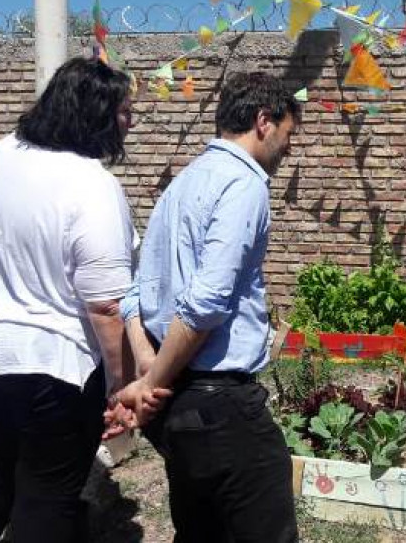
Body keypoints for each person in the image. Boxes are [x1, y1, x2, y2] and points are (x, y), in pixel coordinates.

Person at [0, 58, 135, 542]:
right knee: (47, 491)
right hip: (52, 365)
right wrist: (122, 386)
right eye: (124, 112)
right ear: (95, 113)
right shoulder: (92, 184)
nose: (130, 123)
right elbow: (106, 307)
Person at [114, 70, 301, 543]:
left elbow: (135, 294)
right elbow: (206, 303)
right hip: (221, 407)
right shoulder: (244, 183)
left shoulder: (182, 184)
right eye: (287, 133)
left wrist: (149, 370)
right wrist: (152, 380)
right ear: (263, 121)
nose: (288, 147)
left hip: (179, 406)